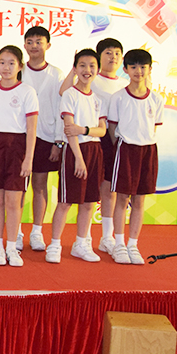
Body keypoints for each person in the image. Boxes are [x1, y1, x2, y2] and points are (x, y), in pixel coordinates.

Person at [59, 38, 126, 253]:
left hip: (111, 138)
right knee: (85, 192)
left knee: (108, 188)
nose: (113, 57)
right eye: (108, 53)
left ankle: (107, 237)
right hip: (84, 141)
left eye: (117, 53)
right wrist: (74, 68)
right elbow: (64, 92)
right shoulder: (89, 80)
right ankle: (84, 238)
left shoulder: (124, 84)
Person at [46, 49, 106, 264]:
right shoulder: (70, 94)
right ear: (75, 68)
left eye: (92, 66)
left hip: (95, 150)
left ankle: (81, 244)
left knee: (89, 202)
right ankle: (54, 244)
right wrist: (79, 158)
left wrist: (85, 130)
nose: (87, 70)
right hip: (75, 151)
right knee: (65, 201)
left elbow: (102, 130)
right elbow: (69, 129)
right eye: (82, 65)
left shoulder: (98, 99)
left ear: (98, 69)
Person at [0, 46, 38, 267]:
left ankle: (12, 247)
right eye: (2, 63)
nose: (6, 67)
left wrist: (28, 158)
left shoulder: (27, 91)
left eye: (11, 63)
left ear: (20, 66)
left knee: (13, 202)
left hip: (18, 147)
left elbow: (32, 128)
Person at [108, 49, 164, 265]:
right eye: (133, 67)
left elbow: (154, 127)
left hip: (148, 150)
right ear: (125, 69)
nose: (138, 71)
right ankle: (119, 244)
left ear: (150, 69)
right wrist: (122, 148)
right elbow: (112, 128)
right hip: (126, 149)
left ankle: (133, 244)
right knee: (122, 198)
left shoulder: (156, 99)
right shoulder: (118, 97)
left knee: (139, 199)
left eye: (143, 67)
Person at [21, 26, 65, 252]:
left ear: (48, 45)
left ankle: (37, 231)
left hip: (46, 137)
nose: (34, 46)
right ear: (24, 45)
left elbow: (61, 108)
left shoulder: (56, 74)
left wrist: (58, 141)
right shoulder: (18, 70)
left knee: (40, 185)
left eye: (39, 42)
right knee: (18, 187)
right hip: (21, 137)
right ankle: (16, 231)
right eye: (30, 42)